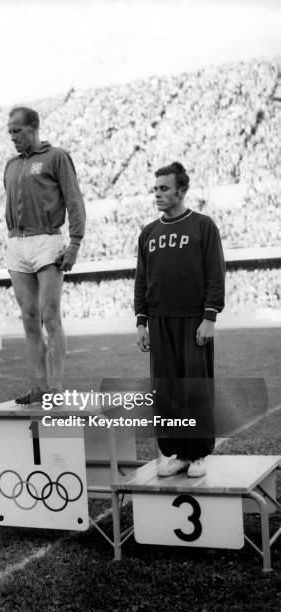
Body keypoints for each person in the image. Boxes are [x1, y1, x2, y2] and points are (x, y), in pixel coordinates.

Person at [134, 162, 225, 478]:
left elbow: (215, 273)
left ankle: (198, 453)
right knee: (167, 392)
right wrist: (141, 322)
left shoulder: (203, 226)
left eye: (164, 188)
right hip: (159, 322)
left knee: (195, 389)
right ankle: (177, 452)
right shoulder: (148, 232)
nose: (157, 194)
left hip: (193, 321)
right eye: (155, 188)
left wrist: (209, 316)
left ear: (182, 191)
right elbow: (142, 280)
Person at [4, 106, 86, 404]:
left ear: (34, 127)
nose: (13, 137)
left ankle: (56, 387)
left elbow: (74, 199)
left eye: (18, 130)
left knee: (50, 314)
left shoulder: (56, 156)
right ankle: (39, 386)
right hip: (17, 242)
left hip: (47, 239)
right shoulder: (11, 165)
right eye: (10, 131)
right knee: (29, 317)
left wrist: (75, 242)